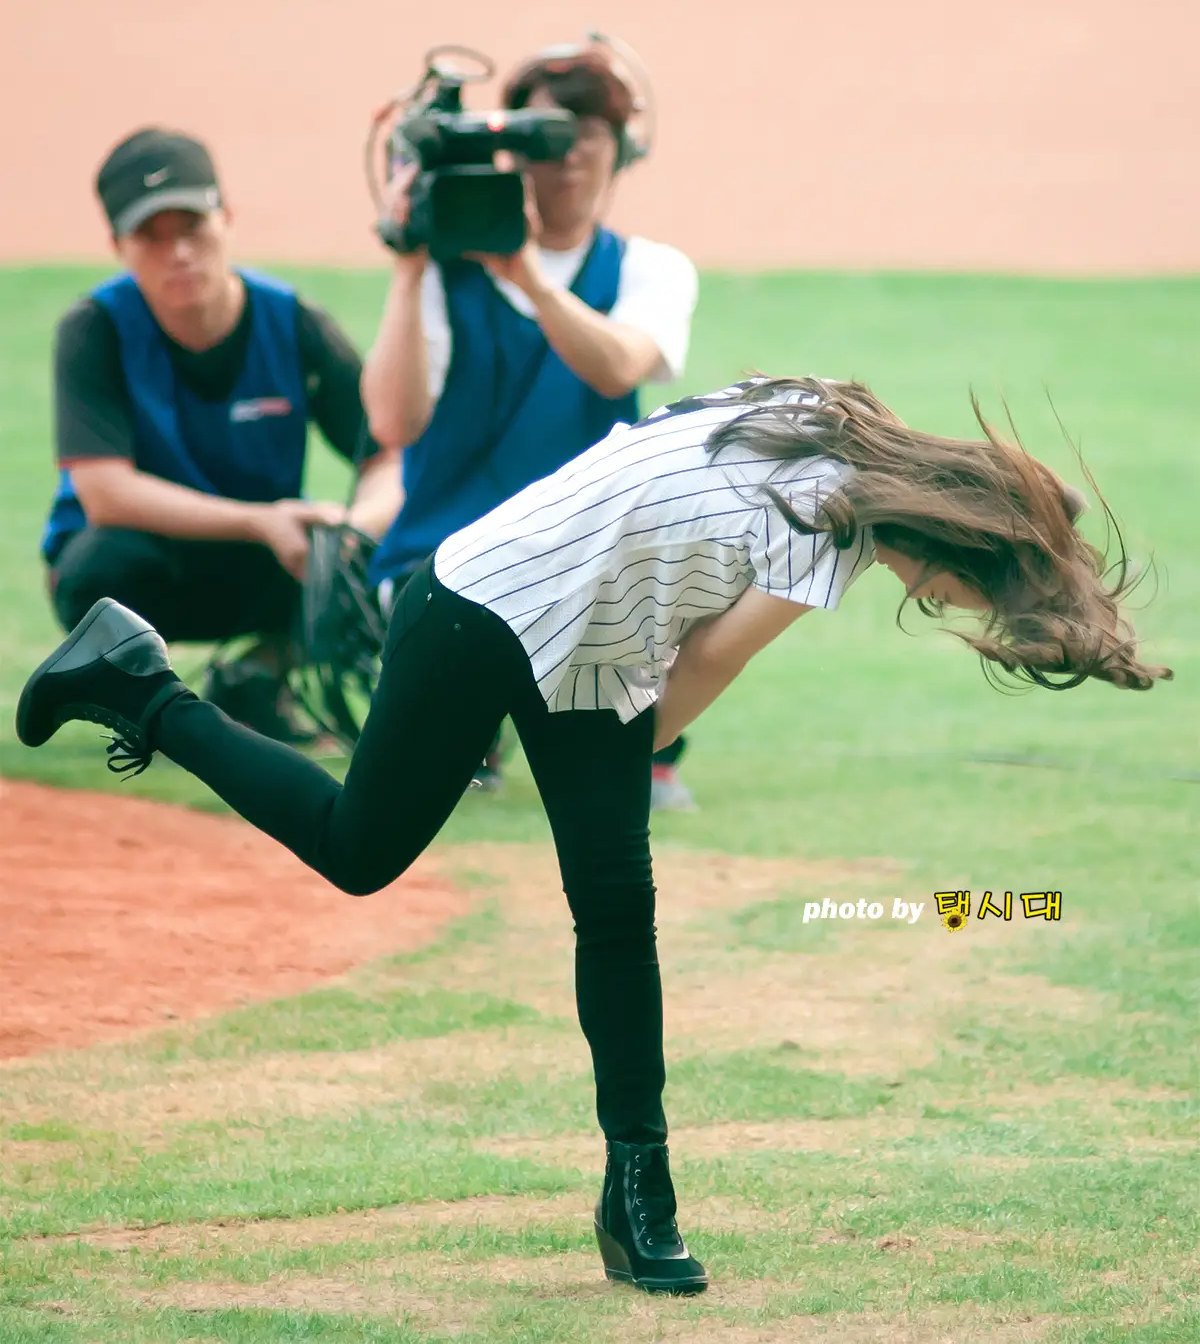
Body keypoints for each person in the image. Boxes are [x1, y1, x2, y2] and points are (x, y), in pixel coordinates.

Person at [16, 375, 1170, 1294]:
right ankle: (139, 683)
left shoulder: (833, 414)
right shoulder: (826, 534)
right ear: (951, 543)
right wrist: (571, 742)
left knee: (620, 910)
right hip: (484, 613)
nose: (947, 607)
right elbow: (685, 697)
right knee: (359, 849)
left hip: (585, 642)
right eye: (964, 598)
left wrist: (585, 737)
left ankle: (640, 1197)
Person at [361, 38, 701, 804]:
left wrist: (526, 278)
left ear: (623, 151)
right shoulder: (446, 272)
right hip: (447, 559)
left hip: (591, 562)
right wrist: (409, 267)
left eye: (591, 132)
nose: (572, 154)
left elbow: (618, 365)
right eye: (548, 135)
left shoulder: (650, 268)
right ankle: (474, 730)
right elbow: (391, 418)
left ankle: (643, 749)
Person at [41, 127, 401, 741]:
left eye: (192, 228)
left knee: (372, 559)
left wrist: (354, 528)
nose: (177, 252)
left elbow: (389, 452)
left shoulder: (294, 322)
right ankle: (144, 693)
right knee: (100, 568)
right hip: (143, 560)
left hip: (265, 557)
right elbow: (105, 493)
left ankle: (257, 678)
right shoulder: (94, 328)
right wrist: (259, 520)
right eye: (149, 237)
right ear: (117, 246)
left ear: (227, 219)